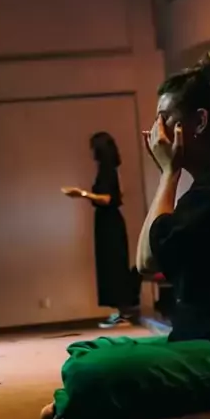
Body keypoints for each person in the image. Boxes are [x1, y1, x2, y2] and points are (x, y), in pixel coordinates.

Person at [42, 49, 210, 419]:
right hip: (197, 339)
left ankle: (78, 398)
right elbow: (148, 257)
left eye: (165, 119)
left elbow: (145, 262)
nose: (155, 133)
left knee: (88, 372)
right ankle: (83, 395)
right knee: (89, 348)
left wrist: (168, 172)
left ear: (200, 122)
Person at [62, 132, 141, 330]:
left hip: (109, 221)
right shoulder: (112, 169)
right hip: (110, 220)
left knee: (114, 265)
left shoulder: (107, 170)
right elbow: (120, 193)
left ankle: (124, 313)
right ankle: (121, 312)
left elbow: (106, 198)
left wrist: (81, 193)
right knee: (112, 264)